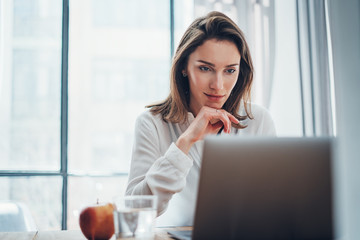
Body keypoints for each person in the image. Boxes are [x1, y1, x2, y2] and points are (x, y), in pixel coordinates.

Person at [126, 11, 276, 227]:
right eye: (205, 68)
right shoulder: (151, 123)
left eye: (229, 71)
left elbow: (274, 207)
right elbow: (133, 214)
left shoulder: (259, 120)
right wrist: (184, 143)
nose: (218, 85)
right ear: (184, 67)